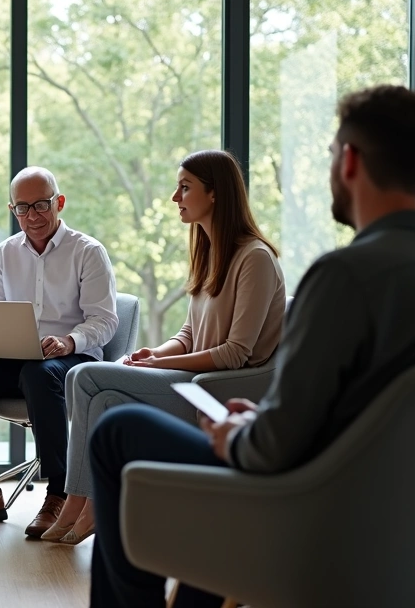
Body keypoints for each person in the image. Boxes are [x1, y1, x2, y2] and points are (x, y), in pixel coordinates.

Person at [86, 85, 415, 607]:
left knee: (115, 430)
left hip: (314, 518)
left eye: (332, 154)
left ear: (349, 160)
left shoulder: (344, 278)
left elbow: (277, 446)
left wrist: (237, 435)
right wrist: (254, 426)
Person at [43, 150, 285, 546]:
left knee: (84, 374)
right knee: (102, 401)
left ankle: (74, 501)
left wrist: (163, 362)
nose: (176, 197)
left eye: (185, 187)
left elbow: (235, 353)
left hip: (217, 389)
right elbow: (190, 333)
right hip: (195, 376)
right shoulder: (209, 253)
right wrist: (155, 354)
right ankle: (92, 506)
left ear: (215, 194)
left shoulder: (254, 259)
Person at [0, 166, 118, 537]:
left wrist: (69, 341)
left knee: (38, 372)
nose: (32, 216)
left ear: (59, 203)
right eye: (22, 208)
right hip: (16, 358)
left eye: (41, 205)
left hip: (71, 360)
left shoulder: (88, 251)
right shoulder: (4, 253)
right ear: (12, 210)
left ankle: (60, 493)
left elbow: (105, 321)